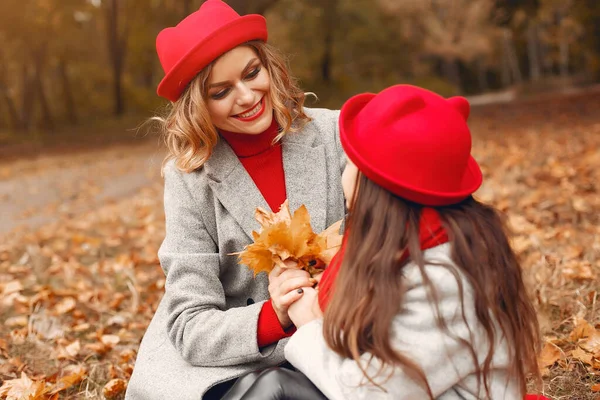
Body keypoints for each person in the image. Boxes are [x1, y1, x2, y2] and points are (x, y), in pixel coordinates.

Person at [125, 1, 345, 399]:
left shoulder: (336, 134)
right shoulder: (189, 178)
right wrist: (272, 313)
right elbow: (189, 322)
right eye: (221, 91)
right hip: (235, 357)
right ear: (197, 106)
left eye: (251, 73)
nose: (246, 97)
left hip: (342, 330)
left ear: (269, 65)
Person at [284, 85, 543, 399]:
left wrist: (309, 327)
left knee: (279, 388)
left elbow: (372, 394)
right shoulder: (404, 245)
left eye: (352, 162)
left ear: (375, 184)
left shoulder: (444, 282)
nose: (345, 171)